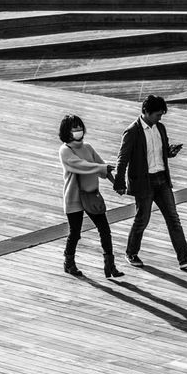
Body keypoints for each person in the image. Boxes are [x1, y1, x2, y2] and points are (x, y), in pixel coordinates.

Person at [113, 94, 187, 270]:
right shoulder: (132, 132)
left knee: (173, 219)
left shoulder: (160, 128)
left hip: (162, 180)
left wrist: (171, 152)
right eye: (158, 114)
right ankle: (131, 253)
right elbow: (122, 159)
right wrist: (119, 183)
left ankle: (184, 258)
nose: (160, 117)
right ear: (146, 112)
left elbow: (162, 152)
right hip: (144, 183)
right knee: (142, 219)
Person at [58, 114, 122, 279]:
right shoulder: (65, 150)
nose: (78, 131)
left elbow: (102, 167)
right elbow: (81, 166)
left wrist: (115, 182)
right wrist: (102, 168)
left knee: (105, 230)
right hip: (74, 198)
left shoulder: (88, 147)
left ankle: (110, 264)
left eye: (80, 127)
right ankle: (69, 262)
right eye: (74, 128)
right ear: (67, 131)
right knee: (75, 232)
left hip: (91, 196)